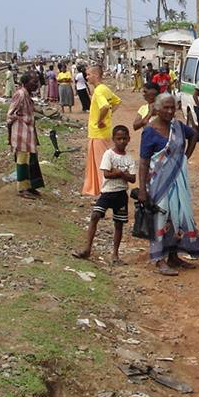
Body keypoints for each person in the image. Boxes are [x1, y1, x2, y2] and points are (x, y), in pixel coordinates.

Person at [137, 93, 199, 275]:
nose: (170, 111)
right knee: (160, 218)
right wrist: (142, 189)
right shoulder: (150, 131)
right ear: (156, 109)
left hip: (178, 182)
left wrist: (184, 157)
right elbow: (143, 162)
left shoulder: (178, 127)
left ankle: (174, 256)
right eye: (165, 107)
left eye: (173, 107)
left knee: (178, 216)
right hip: (158, 184)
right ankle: (159, 259)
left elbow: (194, 134)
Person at [74, 125, 137, 264]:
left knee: (119, 224)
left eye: (124, 138)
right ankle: (87, 248)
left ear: (128, 139)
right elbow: (107, 174)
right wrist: (122, 174)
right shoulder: (108, 154)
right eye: (119, 138)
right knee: (95, 215)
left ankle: (115, 255)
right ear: (113, 139)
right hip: (107, 193)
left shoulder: (129, 158)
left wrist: (118, 172)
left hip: (121, 194)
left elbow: (133, 178)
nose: (121, 141)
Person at [82, 65, 122, 196]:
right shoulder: (105, 89)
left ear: (95, 75)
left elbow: (105, 106)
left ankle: (104, 191)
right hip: (105, 132)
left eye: (88, 74)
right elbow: (117, 102)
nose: (86, 77)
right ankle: (102, 189)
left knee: (101, 164)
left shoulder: (99, 91)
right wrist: (108, 116)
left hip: (98, 133)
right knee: (105, 162)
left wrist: (99, 121)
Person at [6, 70, 44, 198]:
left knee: (31, 158)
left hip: (28, 132)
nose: (36, 84)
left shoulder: (27, 94)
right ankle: (22, 188)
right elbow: (10, 114)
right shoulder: (20, 94)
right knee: (22, 160)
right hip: (21, 132)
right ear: (26, 82)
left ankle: (30, 185)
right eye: (34, 82)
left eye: (37, 82)